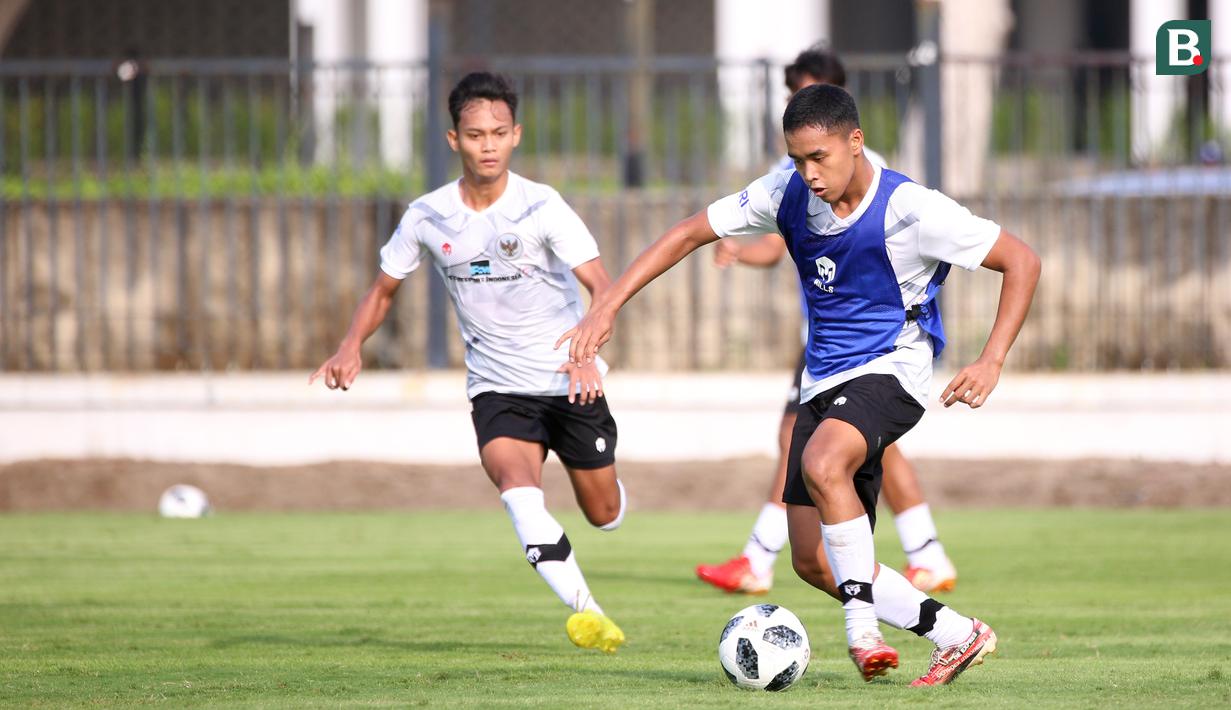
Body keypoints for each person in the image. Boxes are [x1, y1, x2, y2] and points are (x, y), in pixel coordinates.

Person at [558, 84, 1040, 685]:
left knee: (822, 459)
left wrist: (991, 360)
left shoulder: (912, 209)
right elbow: (687, 233)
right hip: (824, 377)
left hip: (896, 367)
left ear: (855, 142)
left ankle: (862, 634)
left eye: (821, 158)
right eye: (797, 159)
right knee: (813, 560)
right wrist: (607, 306)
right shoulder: (785, 192)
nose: (809, 173)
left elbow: (1022, 260)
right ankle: (958, 635)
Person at [311, 72, 626, 653]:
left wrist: (586, 351)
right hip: (497, 389)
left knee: (604, 513)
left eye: (499, 133)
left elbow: (603, 287)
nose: (488, 145)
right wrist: (350, 343)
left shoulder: (543, 206)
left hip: (567, 379)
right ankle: (588, 612)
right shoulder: (427, 217)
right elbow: (382, 291)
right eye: (475, 134)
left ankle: (605, 498)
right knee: (517, 489)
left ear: (516, 136)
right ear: (454, 139)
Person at [698, 48, 956, 597]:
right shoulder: (799, 175)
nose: (792, 106)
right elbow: (778, 242)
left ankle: (762, 559)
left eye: (803, 92)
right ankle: (925, 552)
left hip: (872, 347)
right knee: (843, 449)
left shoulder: (872, 180)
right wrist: (742, 252)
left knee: (807, 442)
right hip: (826, 347)